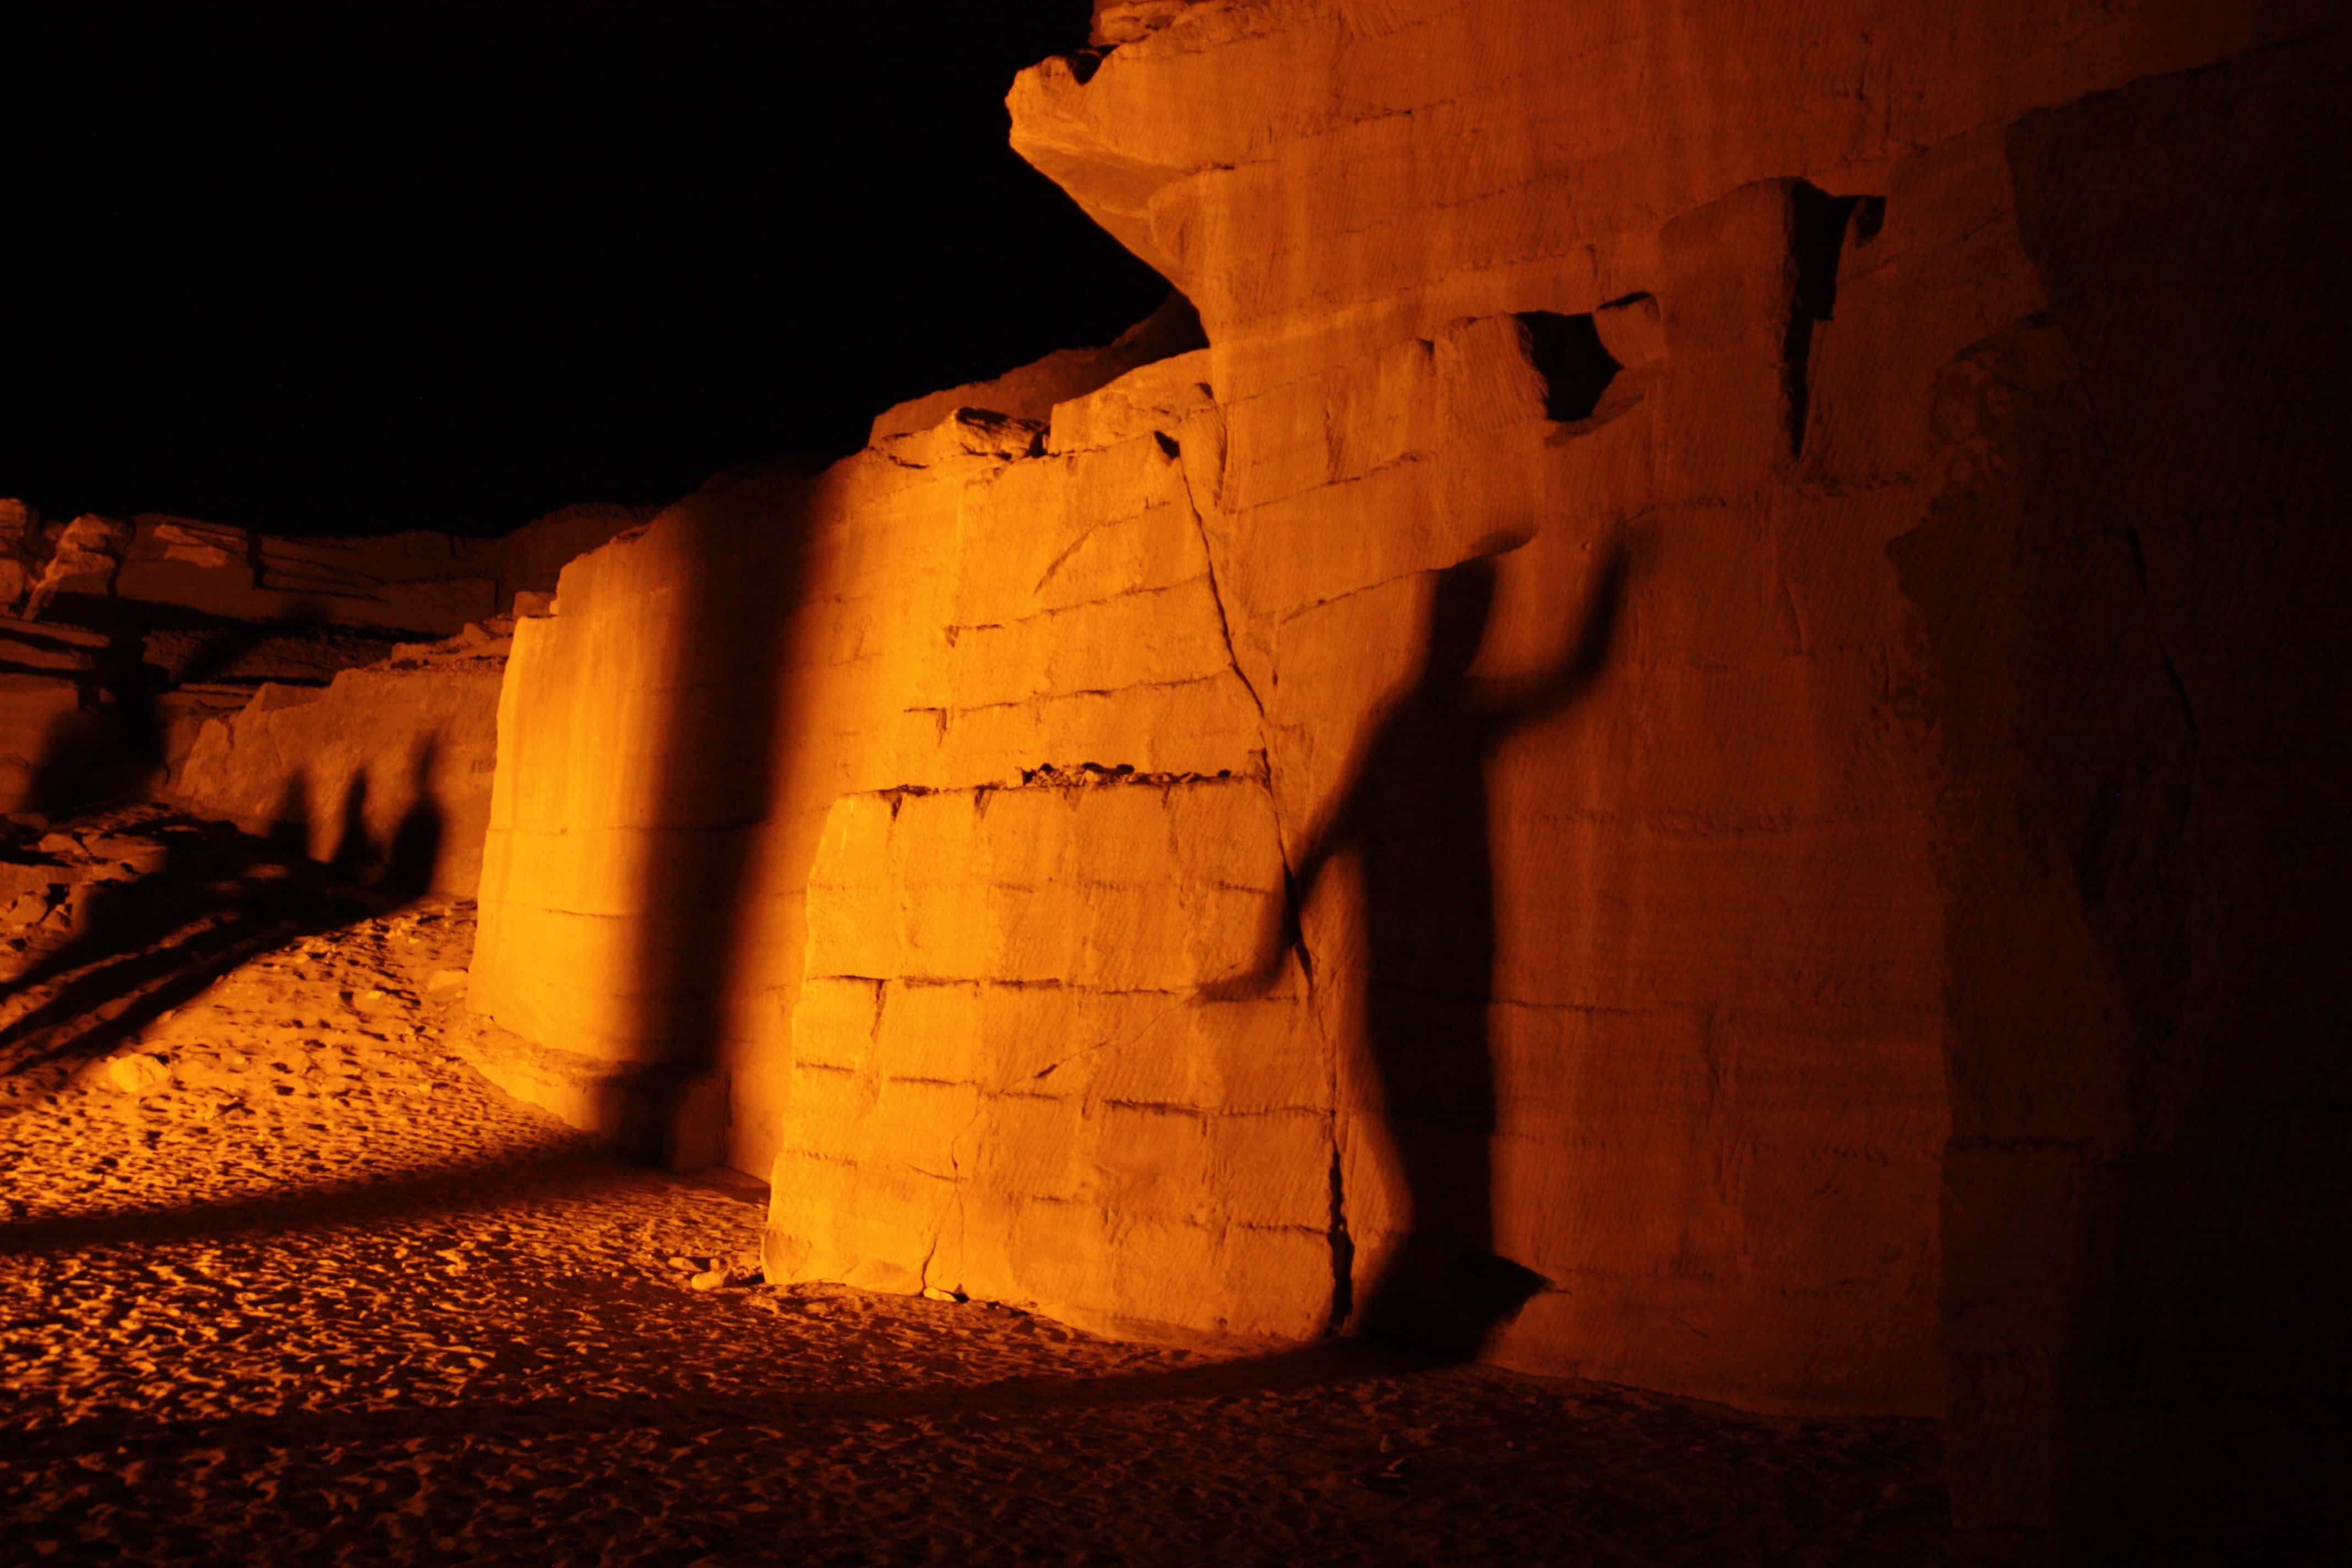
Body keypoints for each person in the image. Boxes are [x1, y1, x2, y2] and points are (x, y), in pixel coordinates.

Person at [1207, 527, 1635, 1357]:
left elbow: (1569, 680)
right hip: (1415, 975)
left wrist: (1610, 579)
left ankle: (1421, 1324)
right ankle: (1422, 1323)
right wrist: (1270, 947)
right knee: (1425, 1154)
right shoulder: (1409, 724)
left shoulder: (1431, 720)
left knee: (1445, 1156)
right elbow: (1330, 835)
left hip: (1447, 973)